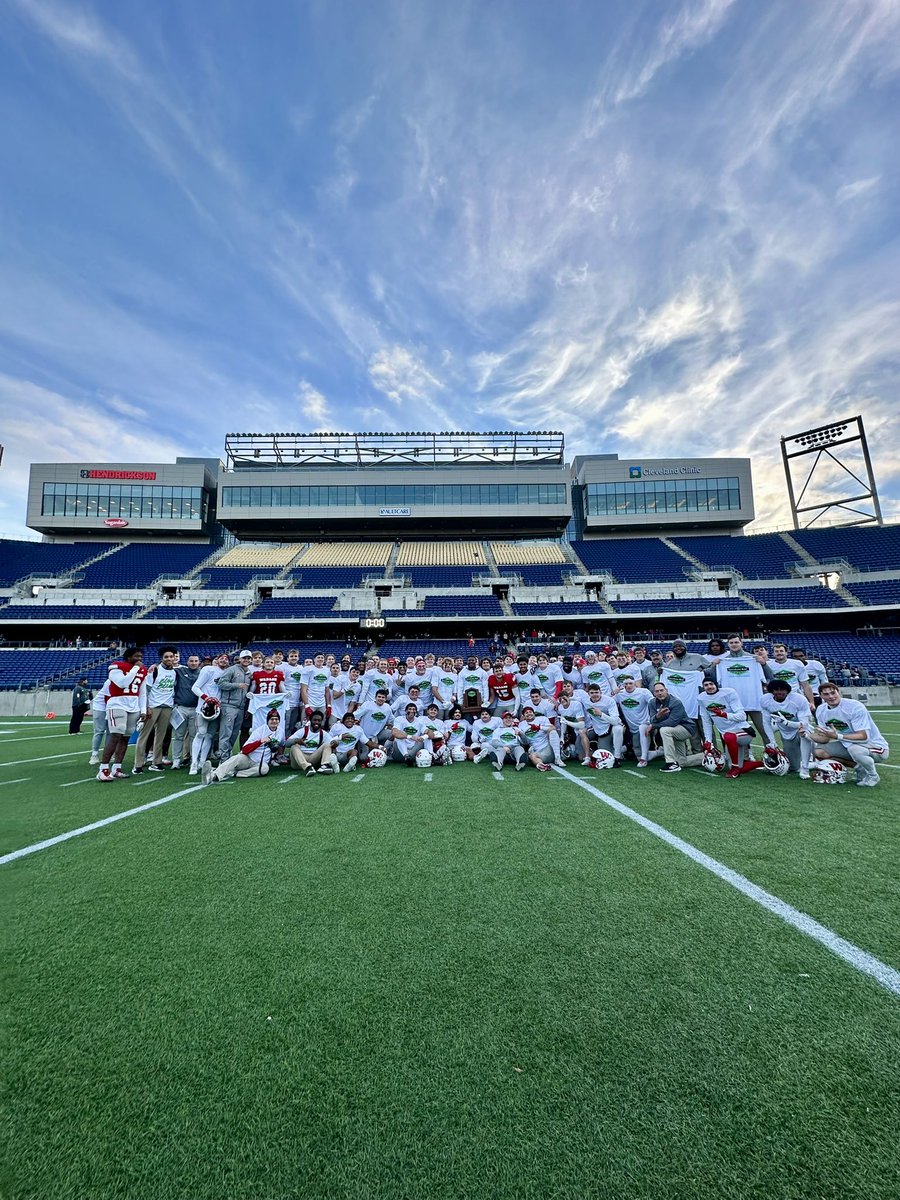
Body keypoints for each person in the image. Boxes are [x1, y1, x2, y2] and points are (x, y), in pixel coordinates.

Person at [807, 683, 889, 786]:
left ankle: (873, 776)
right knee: (819, 752)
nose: (831, 696)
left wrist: (838, 736)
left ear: (839, 692)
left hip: (874, 746)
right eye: (826, 694)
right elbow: (825, 739)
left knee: (855, 749)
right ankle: (859, 767)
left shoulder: (854, 706)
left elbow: (864, 737)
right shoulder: (821, 710)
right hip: (847, 744)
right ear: (821, 696)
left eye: (833, 693)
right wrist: (807, 734)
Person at [96, 647, 149, 782]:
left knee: (125, 737)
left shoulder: (143, 670)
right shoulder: (116, 667)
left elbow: (142, 692)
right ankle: (103, 769)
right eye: (136, 656)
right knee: (116, 734)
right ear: (128, 657)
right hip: (117, 704)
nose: (139, 659)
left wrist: (143, 710)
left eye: (140, 657)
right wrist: (135, 669)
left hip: (133, 706)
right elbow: (122, 683)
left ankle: (117, 768)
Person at [697, 678, 763, 779]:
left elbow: (742, 716)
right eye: (706, 685)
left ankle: (735, 768)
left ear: (716, 685)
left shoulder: (728, 693)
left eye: (711, 684)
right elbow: (706, 721)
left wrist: (724, 715)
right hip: (729, 737)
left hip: (743, 731)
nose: (709, 687)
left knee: (728, 736)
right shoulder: (701, 698)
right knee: (736, 766)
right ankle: (763, 763)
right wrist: (708, 741)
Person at [203, 707, 283, 784]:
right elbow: (245, 749)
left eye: (276, 719)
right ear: (267, 721)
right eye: (272, 719)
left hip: (260, 763)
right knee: (236, 758)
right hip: (248, 758)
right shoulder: (259, 731)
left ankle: (235, 773)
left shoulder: (280, 732)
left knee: (264, 769)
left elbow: (282, 743)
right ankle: (213, 775)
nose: (274, 721)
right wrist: (260, 742)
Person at [133, 645, 178, 773]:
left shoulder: (174, 672)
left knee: (161, 736)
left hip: (167, 706)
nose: (169, 659)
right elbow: (146, 690)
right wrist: (146, 707)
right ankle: (138, 764)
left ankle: (157, 762)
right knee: (144, 735)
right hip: (153, 706)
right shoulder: (154, 670)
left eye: (171, 657)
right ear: (161, 658)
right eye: (166, 657)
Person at [760, 680, 814, 776]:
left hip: (800, 731)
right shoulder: (765, 700)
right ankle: (813, 764)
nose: (779, 692)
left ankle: (810, 760)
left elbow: (804, 724)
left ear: (788, 691)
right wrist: (772, 742)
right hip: (786, 734)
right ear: (771, 691)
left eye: (782, 690)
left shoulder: (799, 699)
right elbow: (766, 722)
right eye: (776, 690)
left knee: (805, 733)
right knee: (794, 768)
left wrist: (787, 723)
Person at [647, 682, 702, 773]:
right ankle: (704, 757)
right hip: (673, 731)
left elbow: (672, 722)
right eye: (657, 691)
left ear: (666, 690)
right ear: (654, 693)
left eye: (661, 690)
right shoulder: (652, 702)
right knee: (681, 762)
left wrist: (653, 726)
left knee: (664, 730)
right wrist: (658, 716)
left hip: (686, 728)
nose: (660, 693)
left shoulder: (675, 702)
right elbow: (652, 719)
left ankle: (671, 762)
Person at [216, 650, 253, 760]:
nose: (246, 660)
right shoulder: (231, 669)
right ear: (240, 659)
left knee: (234, 734)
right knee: (226, 734)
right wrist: (236, 685)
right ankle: (223, 759)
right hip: (229, 705)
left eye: (248, 658)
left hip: (241, 707)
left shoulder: (249, 673)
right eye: (244, 658)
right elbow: (221, 683)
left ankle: (227, 755)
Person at [170, 654, 201, 768]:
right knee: (178, 736)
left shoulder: (202, 673)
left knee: (194, 736)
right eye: (191, 661)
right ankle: (176, 760)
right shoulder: (180, 671)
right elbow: (166, 669)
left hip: (196, 709)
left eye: (196, 661)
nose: (193, 663)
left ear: (199, 662)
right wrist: (154, 666)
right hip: (181, 708)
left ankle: (194, 759)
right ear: (187, 662)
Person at [286, 709, 335, 776]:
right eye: (315, 720)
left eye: (319, 720)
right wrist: (296, 740)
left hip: (313, 758)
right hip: (298, 761)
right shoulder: (303, 731)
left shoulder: (323, 733)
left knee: (327, 745)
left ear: (322, 722)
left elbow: (332, 742)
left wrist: (335, 743)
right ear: (310, 720)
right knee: (294, 746)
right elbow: (286, 743)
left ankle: (325, 766)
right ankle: (307, 767)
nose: (317, 722)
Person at [518, 705, 563, 770]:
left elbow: (552, 728)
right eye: (526, 713)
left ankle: (558, 758)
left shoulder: (542, 719)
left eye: (530, 712)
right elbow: (525, 742)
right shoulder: (521, 724)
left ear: (534, 713)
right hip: (539, 752)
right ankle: (541, 765)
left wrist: (539, 727)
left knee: (553, 732)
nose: (529, 713)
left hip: (549, 748)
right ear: (524, 716)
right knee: (531, 756)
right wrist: (521, 735)